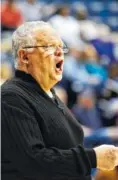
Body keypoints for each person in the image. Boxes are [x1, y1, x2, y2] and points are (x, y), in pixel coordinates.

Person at [1, 21, 118, 180]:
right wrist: (93, 158)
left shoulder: (50, 96)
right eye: (49, 46)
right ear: (24, 56)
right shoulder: (11, 96)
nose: (59, 52)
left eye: (61, 47)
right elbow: (32, 161)